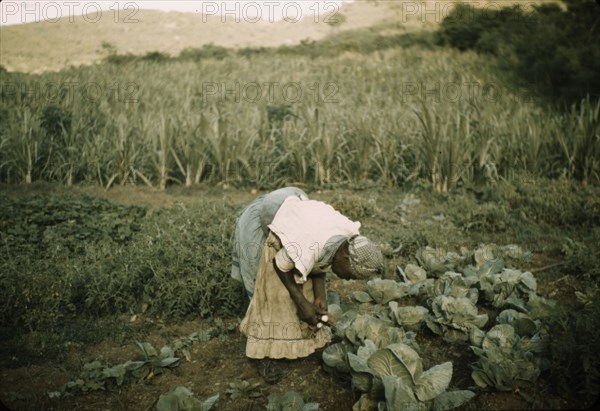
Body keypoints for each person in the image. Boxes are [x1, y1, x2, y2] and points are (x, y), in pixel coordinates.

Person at [232, 187, 384, 360]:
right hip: (269, 211)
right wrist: (301, 302)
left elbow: (323, 258)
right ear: (345, 257)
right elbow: (280, 265)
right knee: (271, 291)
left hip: (297, 205)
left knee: (305, 288)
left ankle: (299, 339)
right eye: (350, 275)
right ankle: (264, 352)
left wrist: (320, 296)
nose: (348, 279)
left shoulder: (346, 238)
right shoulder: (307, 244)